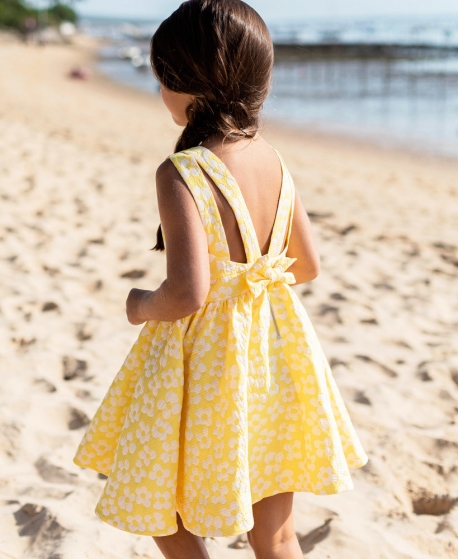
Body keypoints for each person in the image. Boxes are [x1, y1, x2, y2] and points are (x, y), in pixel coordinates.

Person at [73, 1, 368, 558]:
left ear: (184, 80)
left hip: (206, 368)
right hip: (275, 358)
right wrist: (253, 281)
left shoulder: (183, 171)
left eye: (162, 76)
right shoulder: (275, 161)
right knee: (277, 533)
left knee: (166, 506)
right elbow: (307, 266)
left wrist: (139, 304)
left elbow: (187, 293)